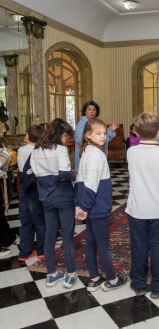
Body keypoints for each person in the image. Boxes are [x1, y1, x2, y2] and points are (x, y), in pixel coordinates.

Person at [126, 113, 159, 299]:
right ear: (158, 130)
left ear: (137, 131)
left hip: (137, 208)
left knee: (138, 246)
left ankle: (139, 284)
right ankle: (158, 286)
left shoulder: (131, 152)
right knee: (157, 247)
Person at [75, 118, 127, 292]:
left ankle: (94, 277)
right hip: (96, 208)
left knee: (91, 242)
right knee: (103, 245)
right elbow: (90, 185)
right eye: (99, 133)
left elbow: (79, 182)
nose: (103, 136)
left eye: (105, 133)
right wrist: (85, 207)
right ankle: (112, 279)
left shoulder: (86, 152)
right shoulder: (97, 155)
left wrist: (80, 205)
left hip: (89, 207)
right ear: (88, 135)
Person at [30, 118, 77, 288]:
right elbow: (65, 173)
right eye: (67, 137)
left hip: (45, 197)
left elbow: (35, 173)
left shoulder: (36, 150)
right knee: (67, 235)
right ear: (63, 134)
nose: (66, 140)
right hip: (63, 197)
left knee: (50, 234)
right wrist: (75, 175)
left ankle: (51, 273)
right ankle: (71, 273)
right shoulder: (60, 149)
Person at [17, 124, 46, 262]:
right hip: (35, 187)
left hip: (23, 188)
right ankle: (41, 251)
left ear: (29, 136)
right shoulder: (40, 150)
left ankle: (24, 252)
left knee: (25, 220)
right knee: (39, 221)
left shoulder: (21, 150)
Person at [74, 100, 118, 170]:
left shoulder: (98, 123)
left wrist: (110, 130)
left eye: (94, 110)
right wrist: (93, 145)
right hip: (86, 154)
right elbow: (79, 139)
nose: (91, 111)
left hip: (98, 154)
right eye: (89, 109)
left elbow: (104, 138)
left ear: (96, 112)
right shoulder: (81, 124)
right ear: (85, 111)